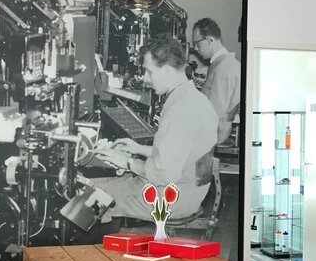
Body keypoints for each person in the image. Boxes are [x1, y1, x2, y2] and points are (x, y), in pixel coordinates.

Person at [76, 37, 218, 221]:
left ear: (167, 70)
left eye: (149, 72)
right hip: (186, 190)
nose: (145, 78)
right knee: (95, 187)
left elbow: (163, 173)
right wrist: (138, 149)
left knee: (84, 197)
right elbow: (179, 153)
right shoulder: (193, 98)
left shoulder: (181, 109)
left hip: (172, 197)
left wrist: (127, 162)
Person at [192, 18, 241, 145]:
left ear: (210, 40)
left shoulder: (224, 67)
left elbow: (215, 113)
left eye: (197, 44)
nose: (195, 48)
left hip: (213, 138)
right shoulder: (221, 63)